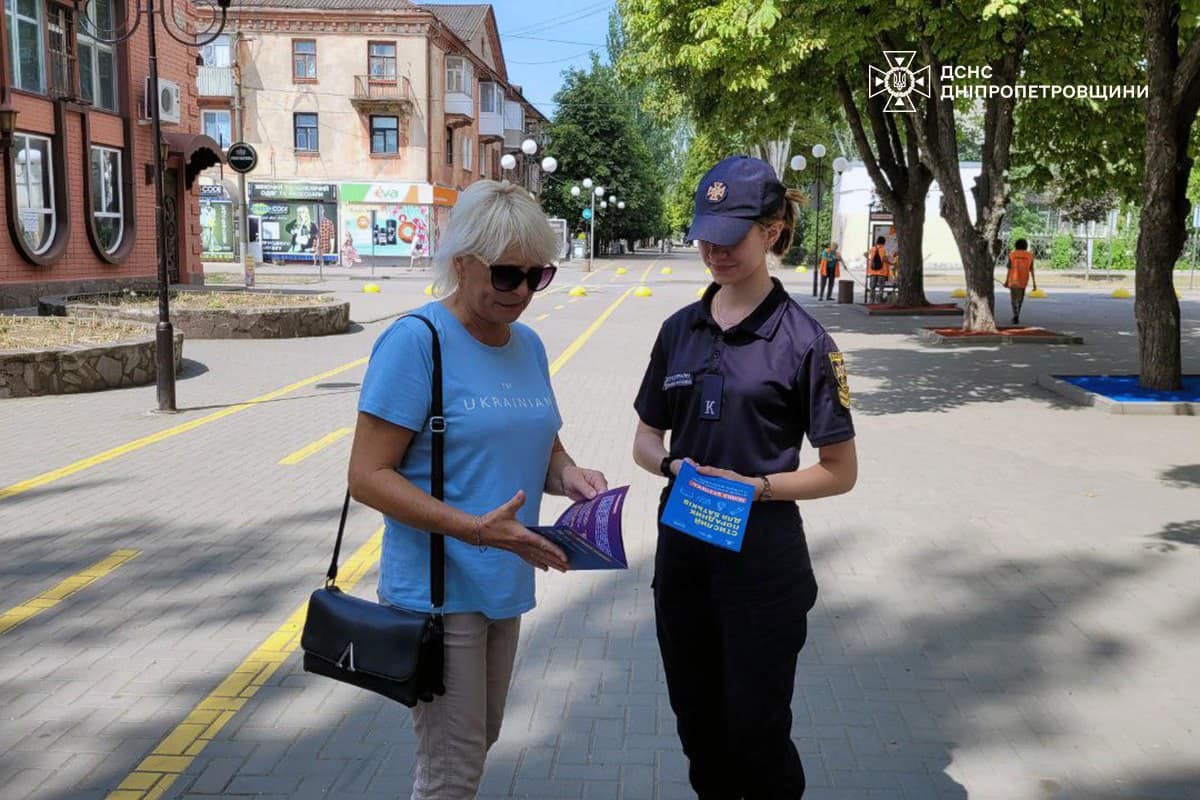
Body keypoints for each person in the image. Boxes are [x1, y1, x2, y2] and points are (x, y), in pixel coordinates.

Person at [348, 180, 609, 799]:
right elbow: (366, 475)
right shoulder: (418, 342)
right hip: (440, 590)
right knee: (452, 769)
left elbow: (543, 444)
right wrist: (473, 528)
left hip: (505, 581)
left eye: (536, 276)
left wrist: (569, 474)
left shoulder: (530, 346)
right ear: (461, 263)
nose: (521, 292)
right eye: (505, 275)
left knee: (476, 742)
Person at [632, 155, 859, 798]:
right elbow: (646, 439)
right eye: (706, 231)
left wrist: (757, 488)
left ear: (773, 229)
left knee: (756, 734)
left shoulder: (805, 341)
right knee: (698, 729)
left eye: (731, 233)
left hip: (763, 561)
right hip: (684, 554)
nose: (714, 248)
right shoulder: (678, 330)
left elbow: (840, 472)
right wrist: (671, 465)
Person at [1004, 238, 1037, 325]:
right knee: (1020, 299)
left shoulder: (1012, 255)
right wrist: (1034, 283)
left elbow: (1009, 269)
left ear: (1016, 245)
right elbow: (1032, 269)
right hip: (1024, 280)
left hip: (1013, 280)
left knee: (1014, 299)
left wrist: (1006, 281)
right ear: (1025, 246)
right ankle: (1017, 314)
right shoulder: (1030, 255)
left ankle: (1015, 315)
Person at [865, 235, 891, 302]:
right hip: (881, 272)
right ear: (883, 242)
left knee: (872, 287)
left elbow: (865, 254)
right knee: (881, 287)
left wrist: (870, 259)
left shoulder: (872, 249)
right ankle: (879, 301)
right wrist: (891, 263)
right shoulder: (883, 250)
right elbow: (885, 259)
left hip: (872, 271)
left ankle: (871, 301)